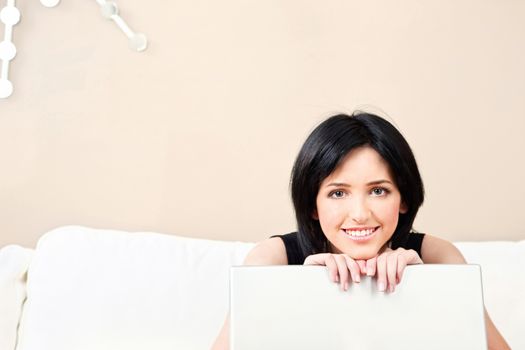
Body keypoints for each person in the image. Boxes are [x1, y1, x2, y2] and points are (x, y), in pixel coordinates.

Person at [211, 111, 510, 349]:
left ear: (403, 198)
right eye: (338, 193)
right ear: (313, 205)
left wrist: (427, 286)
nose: (360, 214)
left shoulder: (437, 256)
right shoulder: (271, 259)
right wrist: (300, 287)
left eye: (378, 191)